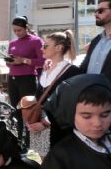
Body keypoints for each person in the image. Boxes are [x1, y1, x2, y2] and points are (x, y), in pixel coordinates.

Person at [25, 30, 81, 158]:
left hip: (57, 128)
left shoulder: (72, 71)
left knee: (58, 165)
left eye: (45, 46)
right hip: (39, 126)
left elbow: (68, 105)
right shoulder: (45, 69)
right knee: (44, 164)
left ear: (59, 48)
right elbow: (39, 98)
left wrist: (45, 123)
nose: (41, 48)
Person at [7, 16, 44, 148]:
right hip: (12, 78)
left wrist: (23, 60)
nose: (17, 33)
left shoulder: (36, 41)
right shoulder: (12, 43)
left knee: (28, 111)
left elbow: (42, 61)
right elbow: (9, 63)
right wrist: (9, 62)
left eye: (20, 30)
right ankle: (18, 140)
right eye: (15, 30)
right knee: (15, 110)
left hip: (27, 78)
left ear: (26, 27)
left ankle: (30, 141)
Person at [79, 0, 111, 81]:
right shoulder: (95, 41)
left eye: (100, 11)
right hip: (90, 91)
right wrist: (56, 64)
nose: (96, 14)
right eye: (95, 11)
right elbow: (82, 69)